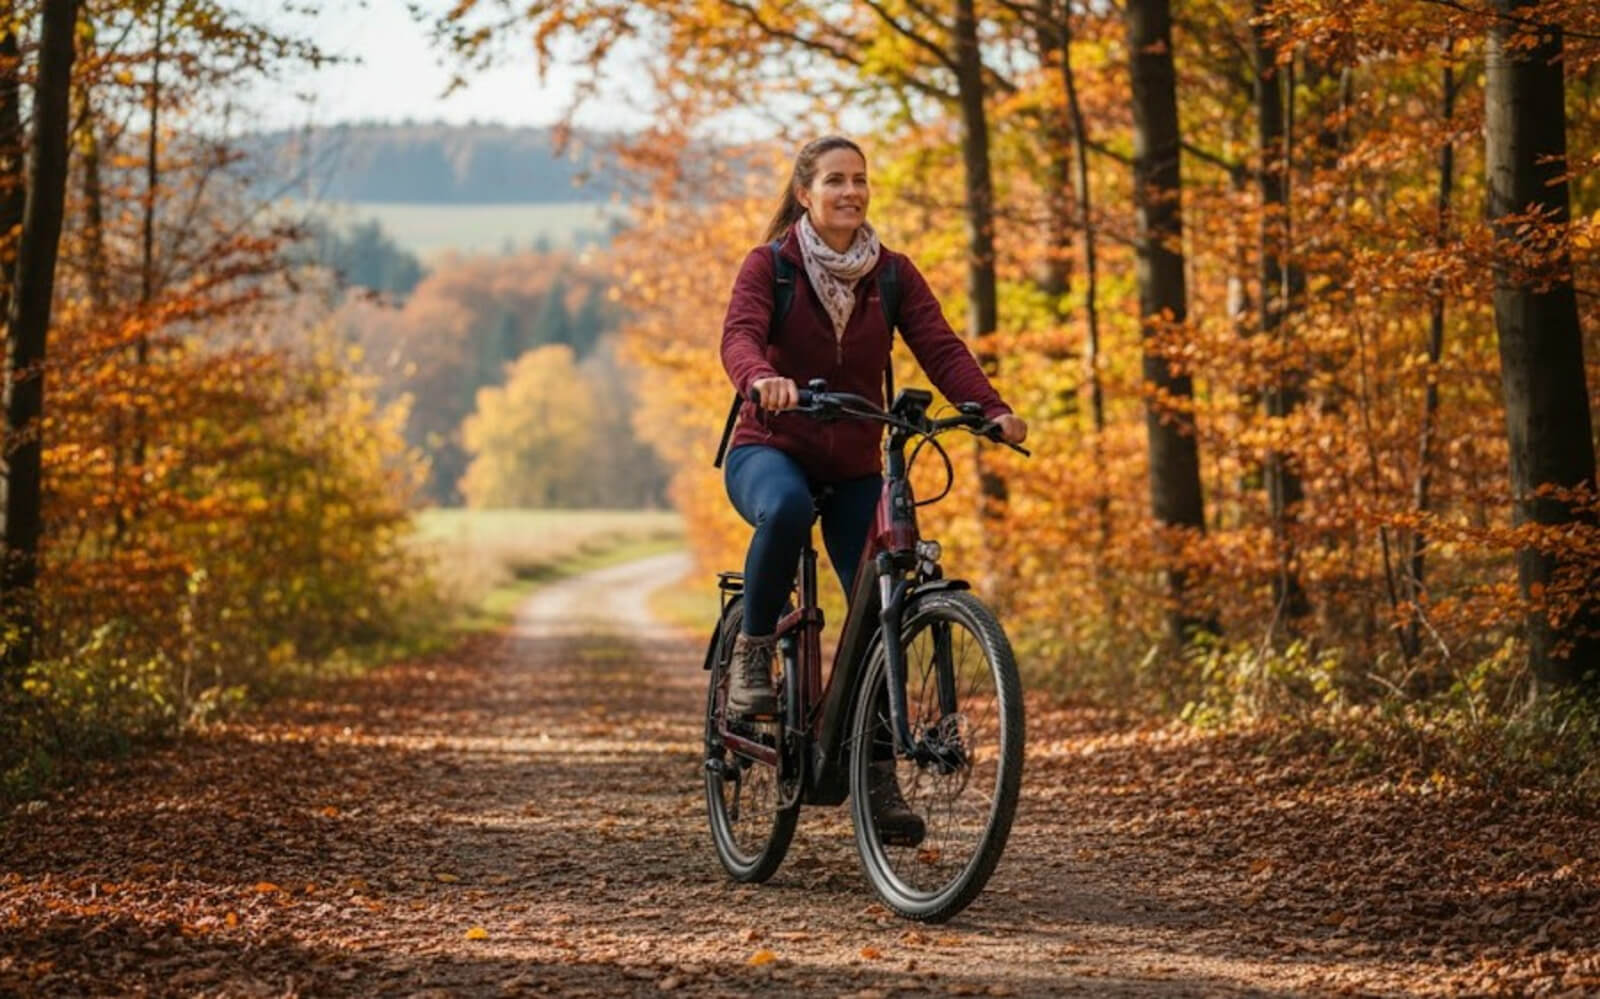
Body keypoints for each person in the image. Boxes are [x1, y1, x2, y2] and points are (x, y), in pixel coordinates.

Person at [719, 135, 1027, 844]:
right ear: (805, 193)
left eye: (860, 180)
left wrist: (990, 407)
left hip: (856, 457)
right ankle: (755, 650)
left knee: (882, 589)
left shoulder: (891, 274)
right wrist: (759, 379)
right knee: (789, 507)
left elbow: (940, 345)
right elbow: (738, 336)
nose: (851, 192)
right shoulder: (771, 266)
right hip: (770, 447)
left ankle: (876, 774)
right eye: (834, 181)